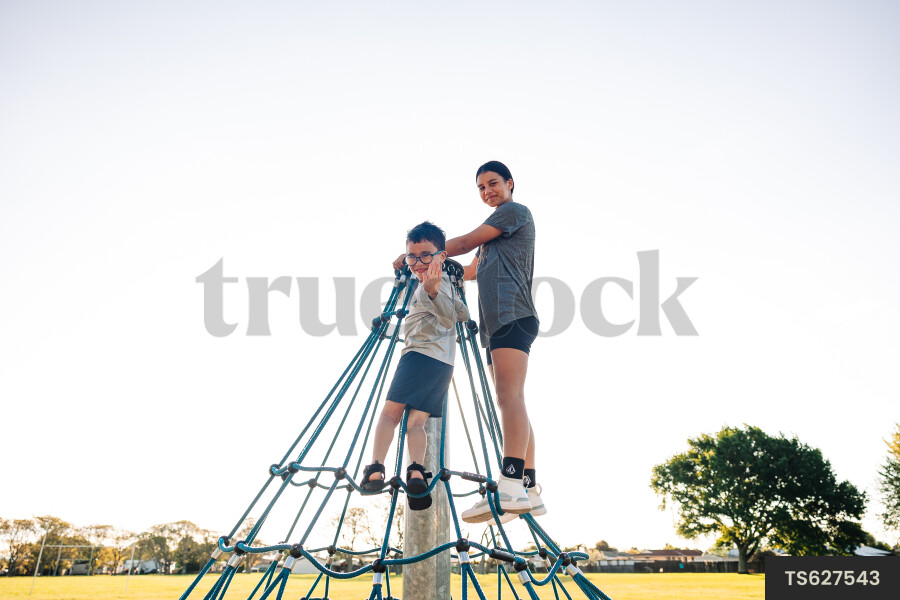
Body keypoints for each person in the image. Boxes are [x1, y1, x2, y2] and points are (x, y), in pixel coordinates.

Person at [392, 161, 546, 525]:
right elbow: (471, 269)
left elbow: (461, 244)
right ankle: (529, 489)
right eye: (481, 187)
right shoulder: (496, 238)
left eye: (493, 183)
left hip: (512, 314)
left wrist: (421, 256)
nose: (487, 191)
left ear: (510, 183)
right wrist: (439, 267)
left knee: (510, 398)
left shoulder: (513, 213)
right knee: (511, 399)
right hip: (495, 323)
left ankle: (509, 483)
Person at [364, 221, 469, 511]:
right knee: (417, 423)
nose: (419, 263)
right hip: (443, 366)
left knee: (390, 413)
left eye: (426, 255)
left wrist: (432, 292)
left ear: (441, 257)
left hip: (418, 356)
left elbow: (448, 318)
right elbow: (460, 315)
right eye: (413, 256)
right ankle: (415, 472)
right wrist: (405, 264)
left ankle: (375, 468)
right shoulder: (446, 285)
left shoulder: (431, 286)